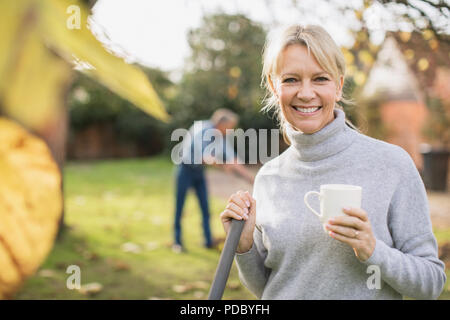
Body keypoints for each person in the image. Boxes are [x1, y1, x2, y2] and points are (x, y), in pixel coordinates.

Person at [220, 24, 446, 299]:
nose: (305, 93)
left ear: (338, 86)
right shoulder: (269, 177)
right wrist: (244, 248)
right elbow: (271, 286)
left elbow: (431, 284)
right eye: (291, 79)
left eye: (320, 79)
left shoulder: (392, 164)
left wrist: (374, 250)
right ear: (273, 86)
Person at [173, 108, 254, 253]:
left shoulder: (220, 136)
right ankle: (177, 242)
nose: (231, 130)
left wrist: (253, 179)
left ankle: (208, 241)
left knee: (205, 207)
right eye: (230, 127)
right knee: (180, 206)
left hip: (199, 172)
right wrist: (224, 167)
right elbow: (205, 157)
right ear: (221, 123)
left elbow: (233, 159)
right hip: (185, 169)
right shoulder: (201, 129)